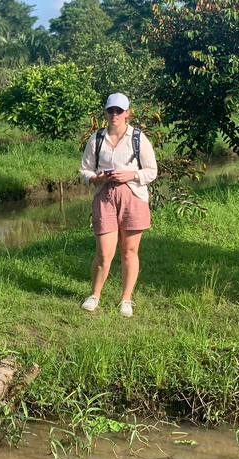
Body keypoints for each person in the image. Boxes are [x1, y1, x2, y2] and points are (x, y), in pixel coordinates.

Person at [78, 93, 157, 317]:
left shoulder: (138, 138)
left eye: (119, 111)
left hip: (133, 196)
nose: (115, 114)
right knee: (104, 252)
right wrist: (96, 179)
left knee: (129, 251)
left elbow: (151, 171)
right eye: (110, 110)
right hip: (104, 196)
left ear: (127, 113)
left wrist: (131, 175)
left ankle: (126, 299)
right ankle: (95, 295)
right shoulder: (97, 139)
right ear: (105, 112)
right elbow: (85, 170)